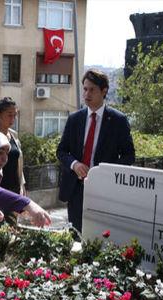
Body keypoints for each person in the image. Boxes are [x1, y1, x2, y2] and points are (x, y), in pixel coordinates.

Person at [56, 69, 135, 232]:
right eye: (85, 89)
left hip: (103, 190)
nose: (87, 94)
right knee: (75, 236)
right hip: (76, 189)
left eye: (92, 89)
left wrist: (103, 172)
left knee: (98, 236)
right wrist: (74, 164)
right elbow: (62, 151)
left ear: (104, 91)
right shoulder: (75, 119)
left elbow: (129, 156)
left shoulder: (118, 121)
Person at [0, 96, 26, 226]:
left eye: (15, 115)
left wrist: (22, 187)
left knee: (12, 231)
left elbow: (18, 163)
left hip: (14, 191)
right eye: (9, 115)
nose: (13, 119)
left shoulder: (14, 136)